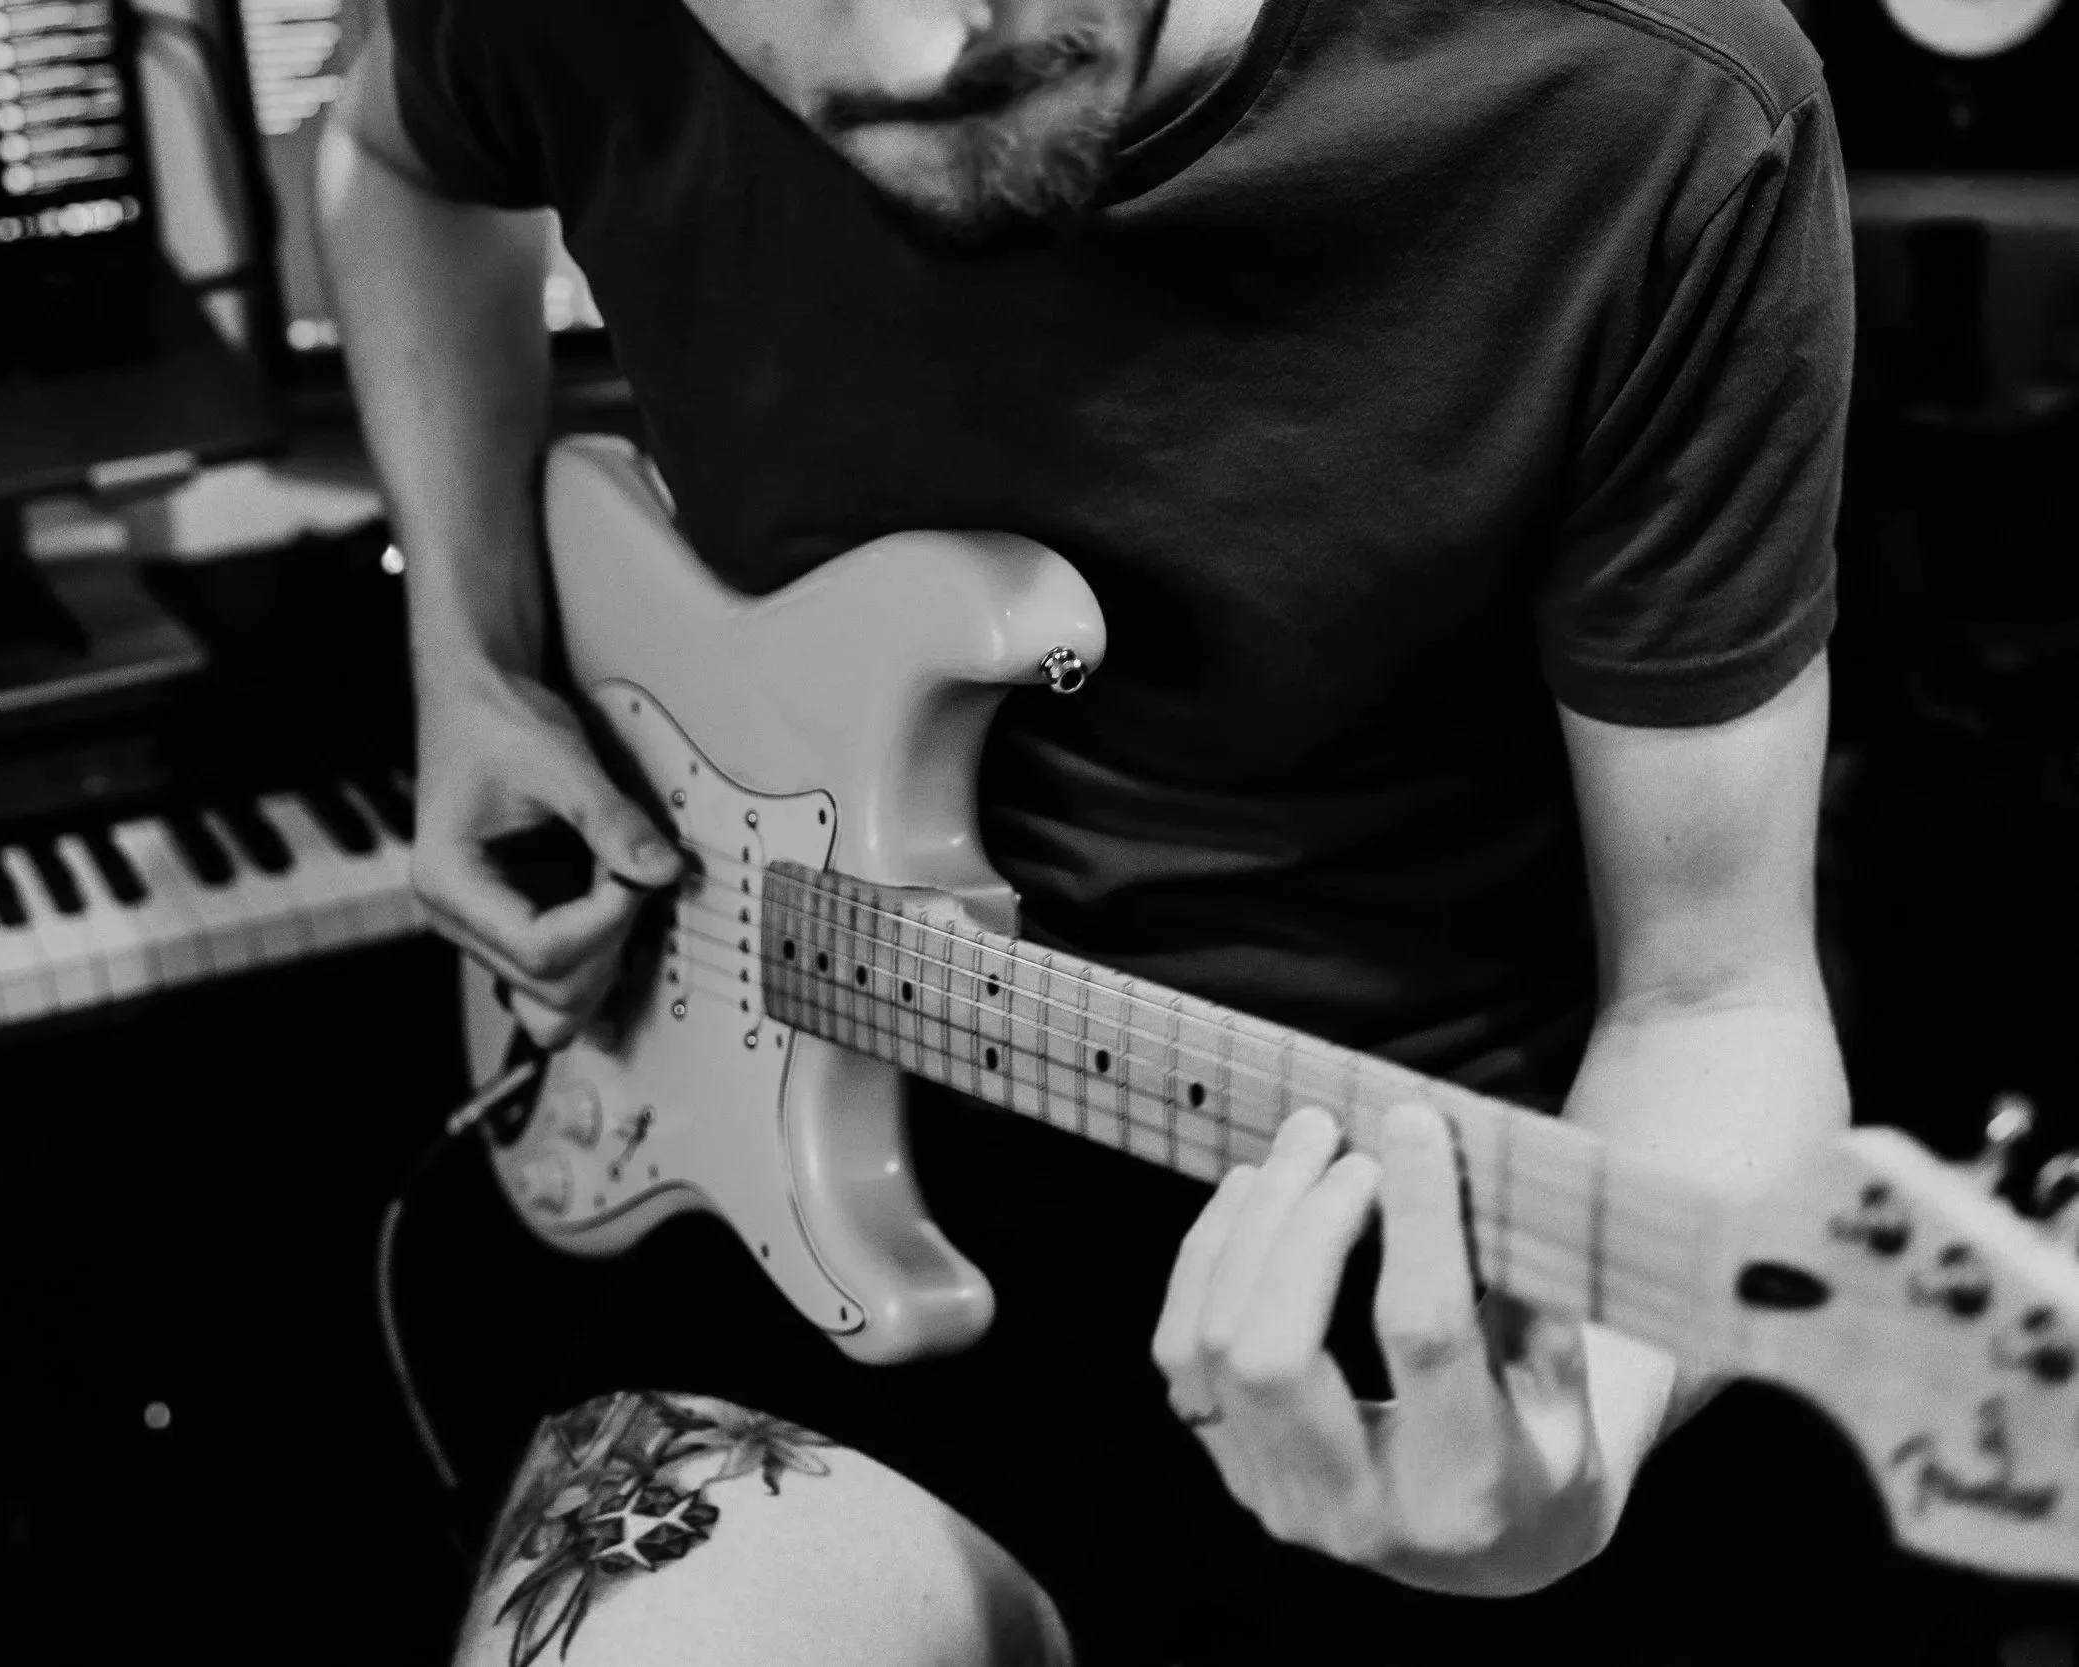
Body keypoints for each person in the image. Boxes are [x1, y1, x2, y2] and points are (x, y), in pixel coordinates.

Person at [317, 0, 1980, 1661]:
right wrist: (467, 658)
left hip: (1470, 1241)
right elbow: (394, 155)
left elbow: (1716, 1004)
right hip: (830, 1164)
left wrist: (1582, 1441)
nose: (923, 48)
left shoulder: (1650, 101)